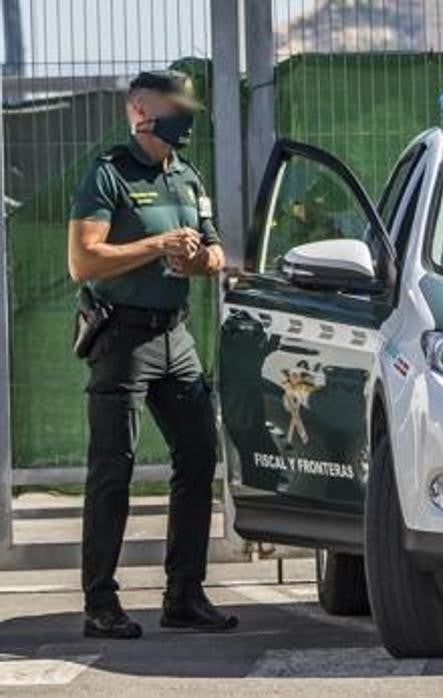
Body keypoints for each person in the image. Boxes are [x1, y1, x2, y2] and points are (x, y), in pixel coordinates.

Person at [66, 70, 237, 639]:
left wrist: (199, 260)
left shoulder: (186, 176)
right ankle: (100, 602)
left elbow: (216, 251)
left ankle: (184, 594)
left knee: (198, 457)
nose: (186, 111)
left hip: (176, 336)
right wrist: (156, 246)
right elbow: (84, 262)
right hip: (122, 338)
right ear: (141, 108)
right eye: (175, 102)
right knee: (114, 468)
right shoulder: (108, 174)